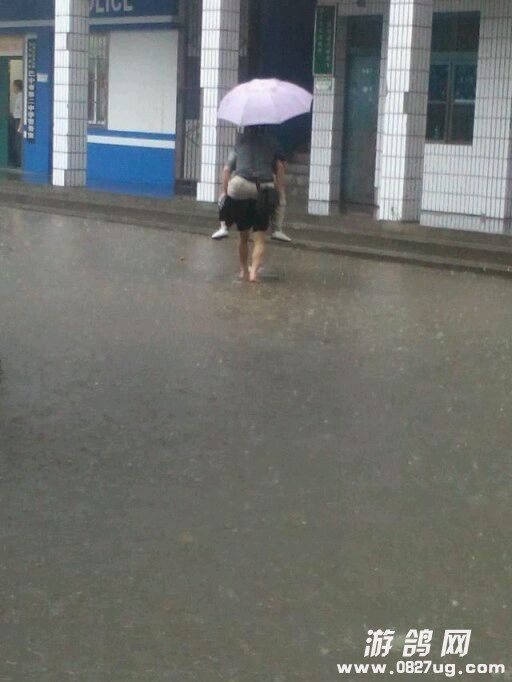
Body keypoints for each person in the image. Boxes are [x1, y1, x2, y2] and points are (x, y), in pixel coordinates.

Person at [221, 126, 286, 282]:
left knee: (243, 237)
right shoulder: (272, 142)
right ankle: (254, 272)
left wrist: (224, 192)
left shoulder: (240, 141)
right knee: (259, 238)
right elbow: (280, 167)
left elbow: (226, 170)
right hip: (263, 188)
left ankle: (243, 270)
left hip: (241, 186)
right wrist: (280, 191)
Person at [10, 80, 23, 168]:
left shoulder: (21, 97)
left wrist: (20, 126)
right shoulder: (18, 96)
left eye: (14, 86)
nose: (13, 88)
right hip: (15, 120)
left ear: (17, 87)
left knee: (17, 142)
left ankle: (19, 163)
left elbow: (22, 113)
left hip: (18, 122)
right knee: (15, 141)